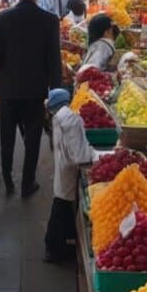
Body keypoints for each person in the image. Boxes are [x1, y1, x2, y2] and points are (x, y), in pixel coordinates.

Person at [0, 0, 62, 197]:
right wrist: (56, 92)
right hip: (35, 90)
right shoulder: (49, 21)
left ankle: (8, 179)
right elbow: (53, 60)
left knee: (7, 137)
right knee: (33, 138)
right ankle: (27, 183)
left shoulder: (1, 19)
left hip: (8, 89)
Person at [44, 88, 103, 262]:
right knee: (62, 203)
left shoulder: (59, 117)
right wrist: (96, 157)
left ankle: (58, 244)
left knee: (61, 199)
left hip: (64, 164)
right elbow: (79, 155)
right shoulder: (70, 119)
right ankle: (54, 249)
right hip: (68, 167)